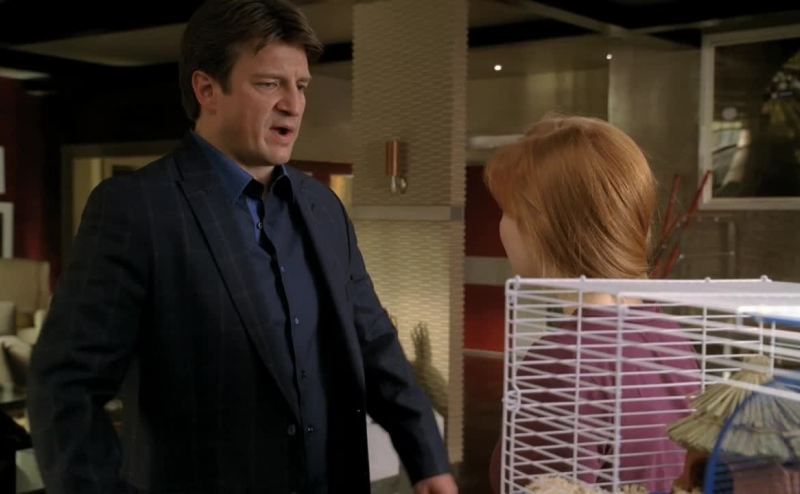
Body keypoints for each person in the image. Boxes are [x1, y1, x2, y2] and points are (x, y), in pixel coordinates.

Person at [27, 1, 456, 493]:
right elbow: (65, 388)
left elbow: (373, 342)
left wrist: (428, 458)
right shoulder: (136, 208)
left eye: (301, 86)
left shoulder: (323, 207)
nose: (293, 105)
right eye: (270, 84)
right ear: (207, 89)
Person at [484, 116, 700, 493]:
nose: (502, 227)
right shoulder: (670, 335)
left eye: (508, 212)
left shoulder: (564, 359)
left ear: (545, 228)